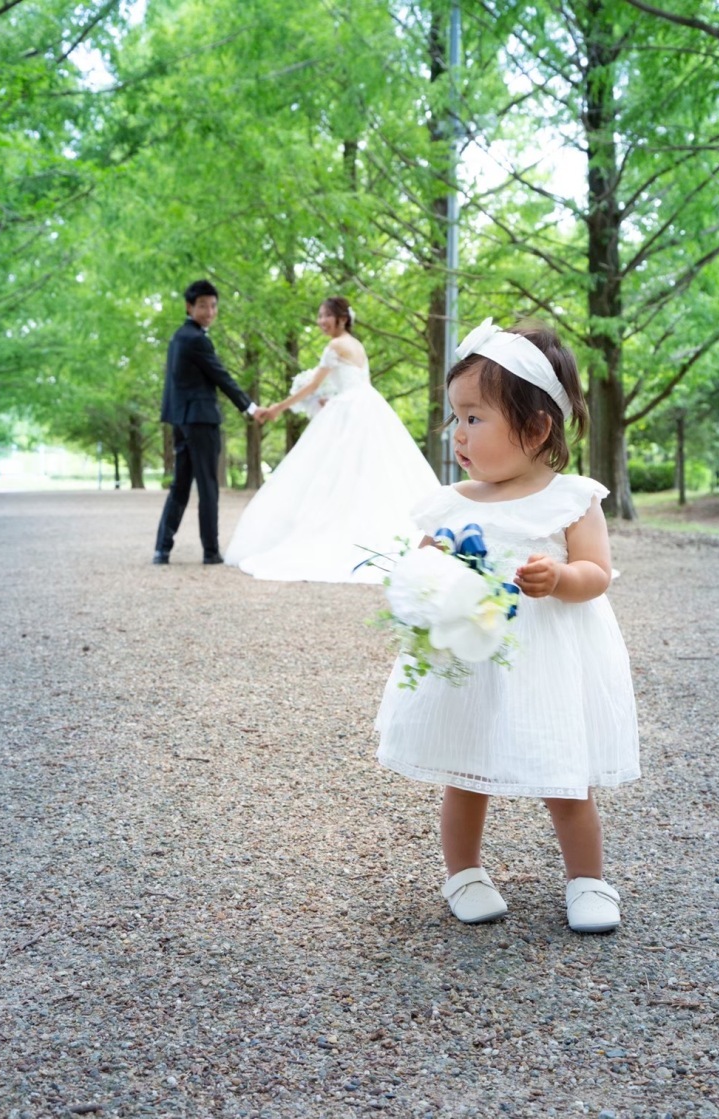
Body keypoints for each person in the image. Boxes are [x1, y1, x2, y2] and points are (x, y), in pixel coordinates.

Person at [376, 318, 640, 933]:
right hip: (472, 658)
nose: (457, 434)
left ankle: (587, 879)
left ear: (536, 427)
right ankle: (463, 871)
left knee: (565, 774)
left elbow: (597, 572)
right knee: (466, 770)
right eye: (455, 418)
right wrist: (426, 582)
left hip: (547, 661)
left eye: (474, 418)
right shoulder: (451, 501)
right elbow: (418, 567)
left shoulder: (572, 497)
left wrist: (561, 578)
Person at [224, 297, 439, 582]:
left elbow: (312, 385)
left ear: (341, 317)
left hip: (349, 410)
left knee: (333, 471)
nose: (320, 321)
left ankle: (335, 532)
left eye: (325, 315)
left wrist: (277, 408)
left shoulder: (336, 345)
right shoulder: (356, 344)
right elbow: (352, 383)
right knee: (358, 472)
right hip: (365, 406)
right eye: (319, 316)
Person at [153, 280, 269, 565]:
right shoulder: (196, 339)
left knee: (180, 485)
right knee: (207, 486)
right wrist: (251, 407)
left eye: (214, 305)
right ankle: (210, 551)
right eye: (203, 305)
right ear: (189, 307)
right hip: (201, 420)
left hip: (180, 421)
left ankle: (162, 549)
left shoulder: (178, 337)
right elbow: (221, 376)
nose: (209, 311)